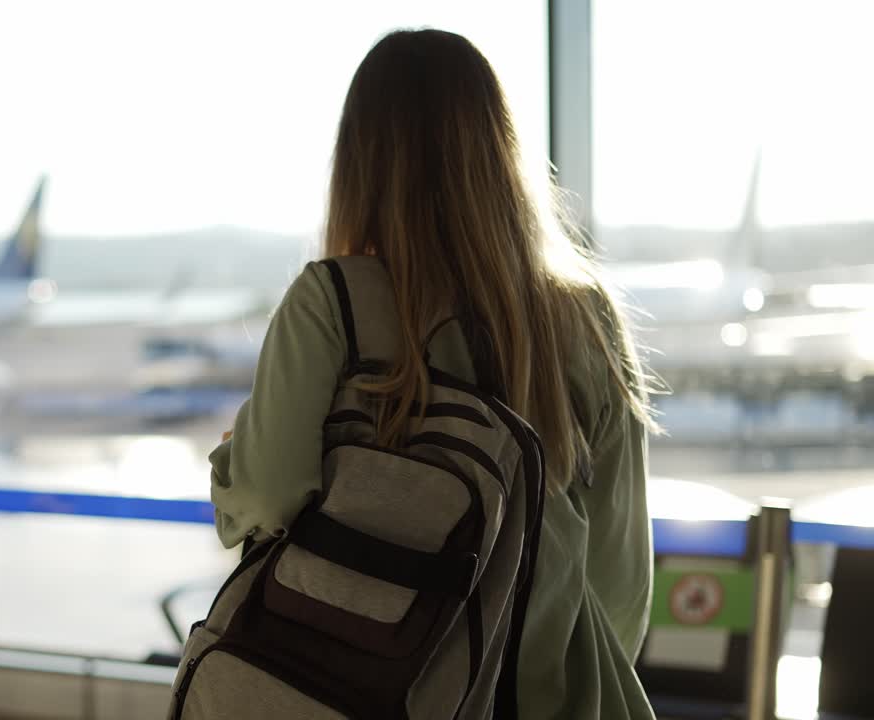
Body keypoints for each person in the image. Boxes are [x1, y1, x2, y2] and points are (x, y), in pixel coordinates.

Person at [207, 29, 657, 719]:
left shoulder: (333, 301)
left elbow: (268, 497)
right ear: (501, 153)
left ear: (357, 163)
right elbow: (620, 581)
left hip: (371, 687)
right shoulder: (585, 317)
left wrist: (238, 455)